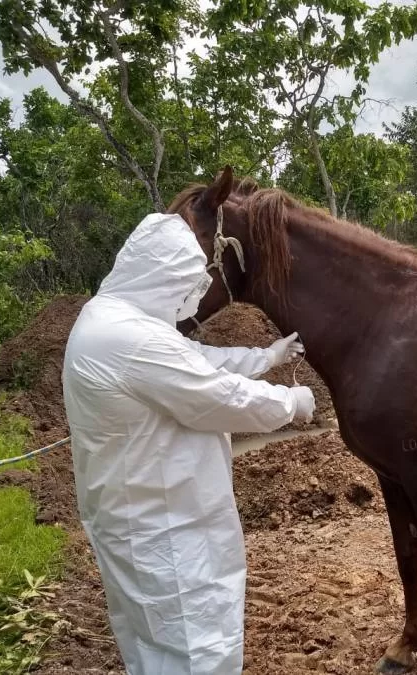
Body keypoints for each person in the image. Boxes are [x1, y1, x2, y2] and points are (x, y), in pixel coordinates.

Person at [62, 212, 316, 674]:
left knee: (155, 644)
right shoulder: (131, 339)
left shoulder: (112, 317)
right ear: (162, 278)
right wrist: (289, 402)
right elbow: (215, 397)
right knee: (196, 646)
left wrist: (266, 357)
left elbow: (192, 359)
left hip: (140, 513)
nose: (188, 298)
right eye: (184, 286)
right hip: (166, 527)